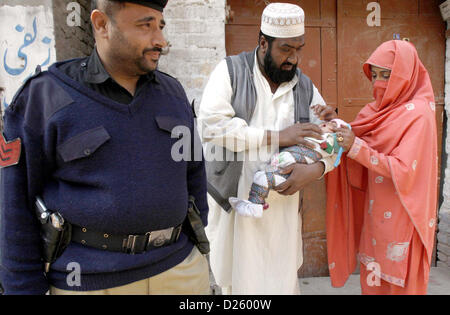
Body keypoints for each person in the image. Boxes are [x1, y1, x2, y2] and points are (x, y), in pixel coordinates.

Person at [0, 0, 210, 295]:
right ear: (101, 24)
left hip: (181, 272)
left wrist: (197, 253)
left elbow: (194, 173)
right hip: (90, 282)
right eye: (145, 25)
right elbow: (14, 208)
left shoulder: (172, 93)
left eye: (161, 26)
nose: (161, 40)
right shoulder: (45, 97)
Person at [198, 3, 337, 294]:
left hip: (282, 215)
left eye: (299, 49)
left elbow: (331, 140)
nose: (294, 58)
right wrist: (277, 136)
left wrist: (316, 169)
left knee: (281, 285)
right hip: (235, 209)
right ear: (263, 43)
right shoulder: (230, 72)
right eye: (286, 49)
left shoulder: (305, 88)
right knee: (237, 286)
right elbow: (210, 127)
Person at [324, 40, 438, 295]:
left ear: (405, 74)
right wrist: (337, 126)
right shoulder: (377, 112)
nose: (378, 83)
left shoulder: (419, 114)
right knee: (373, 284)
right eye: (374, 75)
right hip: (375, 217)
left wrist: (355, 146)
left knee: (397, 286)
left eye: (387, 75)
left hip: (405, 218)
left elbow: (404, 169)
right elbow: (360, 139)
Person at [229, 118, 349, 218]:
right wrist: (280, 136)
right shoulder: (312, 132)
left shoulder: (326, 143)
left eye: (332, 126)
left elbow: (333, 155)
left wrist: (317, 169)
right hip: (249, 168)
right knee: (260, 177)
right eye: (328, 122)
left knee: (262, 179)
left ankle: (254, 206)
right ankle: (253, 204)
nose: (326, 124)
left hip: (286, 182)